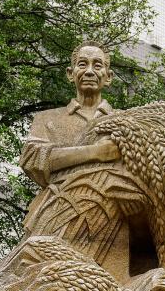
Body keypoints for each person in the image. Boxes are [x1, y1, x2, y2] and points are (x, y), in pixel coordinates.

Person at [19, 43, 121, 188]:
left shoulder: (125, 121)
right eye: (82, 64)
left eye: (97, 66)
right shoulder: (46, 119)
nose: (89, 71)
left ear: (109, 76)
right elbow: (33, 159)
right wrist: (97, 152)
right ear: (70, 73)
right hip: (57, 205)